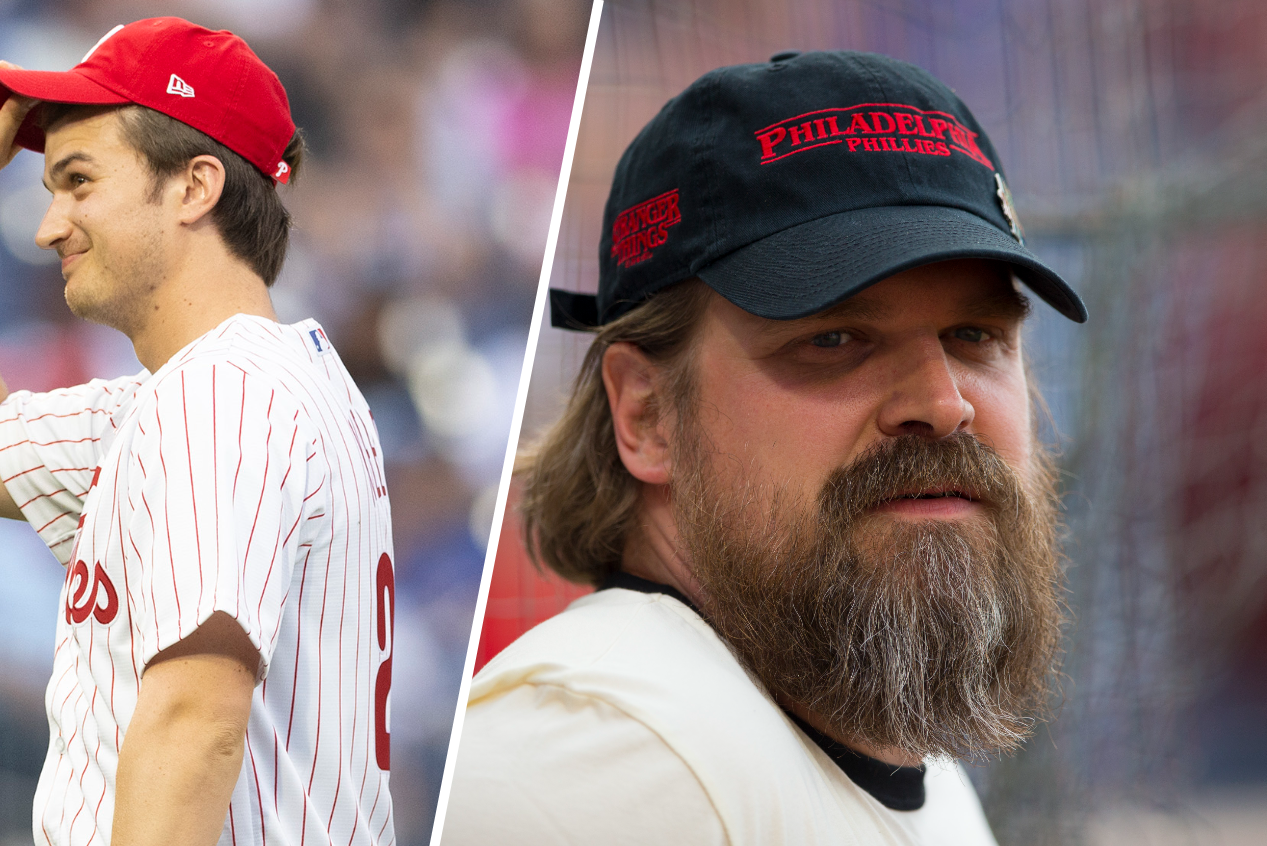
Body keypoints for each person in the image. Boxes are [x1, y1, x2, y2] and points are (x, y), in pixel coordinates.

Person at [442, 50, 1087, 844]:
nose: (944, 404)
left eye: (975, 334)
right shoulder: (602, 766)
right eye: (837, 337)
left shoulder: (899, 758)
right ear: (647, 416)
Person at [0, 17, 395, 846]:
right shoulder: (252, 388)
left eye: (79, 181)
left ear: (195, 188)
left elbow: (195, 721)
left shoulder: (223, 398)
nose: (50, 225)